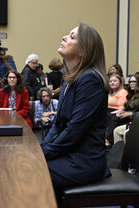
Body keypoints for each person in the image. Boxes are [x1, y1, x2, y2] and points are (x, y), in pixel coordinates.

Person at [41, 23, 111, 191]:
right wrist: (42, 148)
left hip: (83, 161)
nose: (64, 37)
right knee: (29, 163)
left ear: (83, 50)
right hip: (70, 153)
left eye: (72, 37)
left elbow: (75, 130)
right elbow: (58, 125)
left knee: (29, 170)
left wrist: (44, 153)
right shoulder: (70, 78)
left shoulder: (90, 80)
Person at [105, 74, 128, 147]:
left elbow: (122, 107)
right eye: (110, 81)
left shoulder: (123, 92)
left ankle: (107, 140)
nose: (112, 83)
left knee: (113, 117)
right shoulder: (109, 93)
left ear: (120, 82)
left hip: (118, 111)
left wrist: (112, 112)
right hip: (107, 110)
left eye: (115, 81)